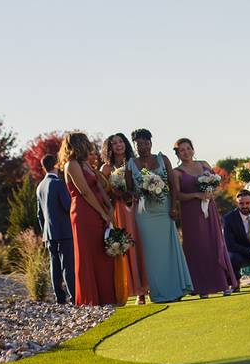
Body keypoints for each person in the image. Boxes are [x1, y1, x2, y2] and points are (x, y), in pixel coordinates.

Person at [127, 129, 194, 303]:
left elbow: (173, 185)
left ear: (151, 143)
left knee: (169, 250)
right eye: (139, 144)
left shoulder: (162, 159)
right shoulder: (131, 163)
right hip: (144, 214)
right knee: (152, 255)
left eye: (146, 143)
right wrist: (133, 193)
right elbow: (128, 190)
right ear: (134, 145)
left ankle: (177, 289)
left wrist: (174, 207)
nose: (143, 146)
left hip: (164, 210)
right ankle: (158, 293)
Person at [173, 138, 237, 297]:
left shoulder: (204, 165)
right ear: (178, 153)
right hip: (191, 214)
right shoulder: (176, 172)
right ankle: (202, 287)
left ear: (193, 150)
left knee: (216, 244)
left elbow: (216, 183)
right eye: (182, 150)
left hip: (210, 209)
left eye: (188, 148)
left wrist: (210, 192)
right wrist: (196, 194)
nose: (186, 152)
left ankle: (224, 284)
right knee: (198, 248)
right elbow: (177, 195)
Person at [60, 132, 116, 306]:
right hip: (84, 212)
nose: (89, 145)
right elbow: (84, 192)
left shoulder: (86, 164)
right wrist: (101, 212)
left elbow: (98, 186)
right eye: (86, 142)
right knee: (89, 254)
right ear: (78, 144)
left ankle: (107, 297)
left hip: (98, 208)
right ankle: (90, 299)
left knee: (102, 251)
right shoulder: (71, 165)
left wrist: (109, 207)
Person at [100, 133, 149, 305]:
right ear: (109, 148)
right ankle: (126, 290)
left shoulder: (135, 162)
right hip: (119, 211)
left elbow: (146, 182)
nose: (118, 145)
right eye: (114, 143)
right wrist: (115, 193)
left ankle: (143, 291)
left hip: (137, 208)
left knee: (141, 245)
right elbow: (102, 193)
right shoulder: (106, 168)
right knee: (125, 248)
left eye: (121, 141)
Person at [35, 154, 75, 304]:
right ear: (56, 165)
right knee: (67, 266)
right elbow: (67, 206)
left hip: (49, 233)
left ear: (43, 167)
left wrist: (44, 231)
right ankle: (74, 297)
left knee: (54, 266)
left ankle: (60, 298)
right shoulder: (58, 183)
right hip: (64, 231)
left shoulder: (40, 186)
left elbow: (39, 214)